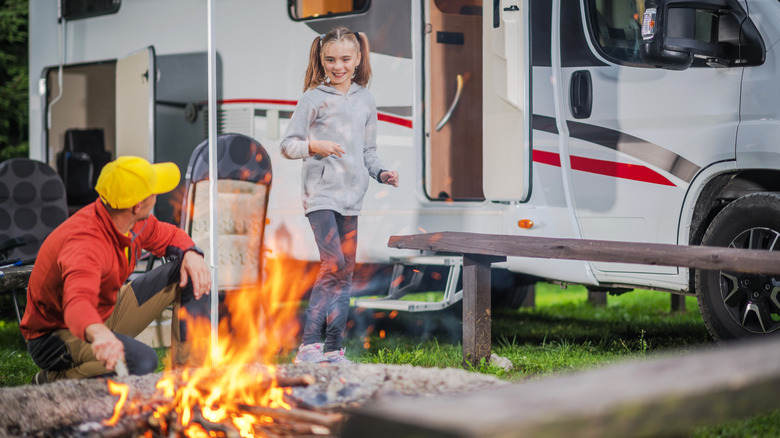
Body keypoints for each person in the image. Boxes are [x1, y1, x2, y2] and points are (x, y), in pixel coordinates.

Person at [20, 156, 212, 383]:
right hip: (57, 334)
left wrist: (191, 252)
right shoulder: (85, 244)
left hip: (105, 310)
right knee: (141, 362)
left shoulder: (134, 222)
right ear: (137, 205)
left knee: (190, 270)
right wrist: (100, 335)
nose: (157, 193)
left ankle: (190, 378)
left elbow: (170, 235)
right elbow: (77, 304)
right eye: (153, 190)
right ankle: (52, 380)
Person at [281, 27, 399, 364]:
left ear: (358, 58)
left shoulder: (366, 99)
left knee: (346, 271)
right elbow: (288, 145)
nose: (338, 66)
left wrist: (381, 173)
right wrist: (314, 147)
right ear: (321, 59)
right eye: (331, 59)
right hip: (320, 196)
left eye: (345, 59)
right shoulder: (313, 98)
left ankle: (334, 349)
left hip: (352, 199)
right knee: (332, 263)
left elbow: (369, 152)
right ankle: (308, 347)